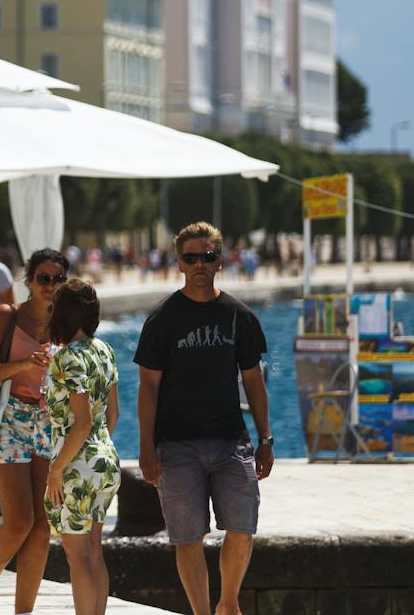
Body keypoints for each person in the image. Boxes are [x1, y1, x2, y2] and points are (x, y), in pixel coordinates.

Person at [136, 222, 271, 615]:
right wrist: (146, 448)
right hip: (176, 446)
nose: (200, 264)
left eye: (207, 257)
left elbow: (254, 380)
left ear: (220, 262)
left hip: (232, 441)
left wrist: (266, 439)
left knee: (243, 530)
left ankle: (228, 604)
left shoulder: (238, 316)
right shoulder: (162, 319)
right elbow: (148, 387)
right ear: (179, 263)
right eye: (191, 257)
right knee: (187, 538)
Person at [0, 248, 65, 615]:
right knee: (20, 519)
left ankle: (24, 611)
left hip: (46, 422)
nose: (50, 286)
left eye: (57, 279)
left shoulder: (66, 322)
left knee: (42, 526)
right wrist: (24, 362)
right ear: (29, 281)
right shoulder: (8, 317)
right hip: (7, 419)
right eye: (44, 278)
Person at [44, 278, 120, 615]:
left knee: (78, 559)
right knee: (95, 553)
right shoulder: (104, 350)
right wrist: (96, 452)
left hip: (76, 465)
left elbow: (81, 421)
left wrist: (56, 469)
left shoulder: (66, 359)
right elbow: (112, 414)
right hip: (105, 460)